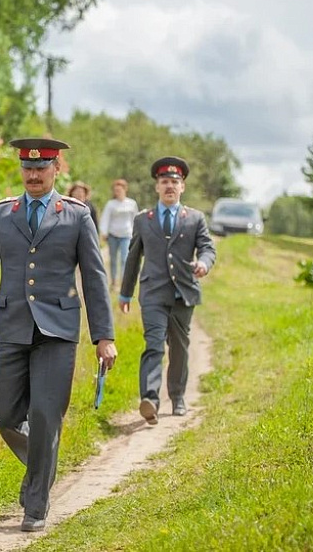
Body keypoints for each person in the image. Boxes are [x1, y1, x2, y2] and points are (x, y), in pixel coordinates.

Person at [0, 138, 116, 533]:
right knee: (5, 414)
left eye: (41, 168)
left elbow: (94, 280)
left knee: (45, 415)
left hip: (58, 332)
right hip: (11, 327)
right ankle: (44, 462)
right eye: (27, 168)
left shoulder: (76, 216)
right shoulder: (1, 215)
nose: (33, 174)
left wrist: (103, 336)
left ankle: (36, 502)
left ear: (56, 169)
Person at [118, 156, 215, 424]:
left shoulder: (195, 218)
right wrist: (125, 293)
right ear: (157, 187)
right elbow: (133, 257)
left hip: (184, 294)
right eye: (164, 182)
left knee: (180, 348)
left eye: (174, 182)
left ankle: (178, 396)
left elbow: (207, 248)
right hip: (153, 294)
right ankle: (150, 398)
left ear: (182, 187)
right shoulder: (143, 220)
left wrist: (204, 265)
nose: (169, 186)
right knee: (153, 344)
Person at [99, 179, 138, 291]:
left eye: (119, 190)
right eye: (115, 190)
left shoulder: (131, 203)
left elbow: (135, 218)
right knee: (113, 259)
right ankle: (114, 282)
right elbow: (105, 218)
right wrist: (104, 232)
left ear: (125, 190)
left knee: (125, 259)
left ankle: (123, 282)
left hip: (126, 234)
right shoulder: (111, 204)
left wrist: (136, 232)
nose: (118, 192)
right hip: (113, 234)